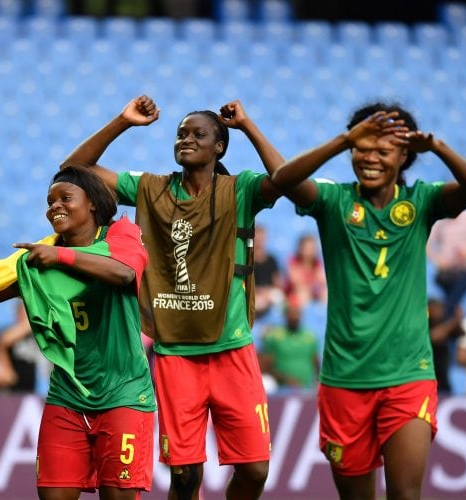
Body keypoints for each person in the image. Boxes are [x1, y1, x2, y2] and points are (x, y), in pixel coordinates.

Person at [61, 95, 285, 499]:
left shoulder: (241, 190)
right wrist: (123, 121)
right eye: (181, 134)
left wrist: (248, 126)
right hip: (175, 354)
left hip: (232, 349)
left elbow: (287, 179)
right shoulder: (152, 189)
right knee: (184, 476)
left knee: (255, 469)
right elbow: (74, 171)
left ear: (219, 147)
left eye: (198, 134)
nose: (186, 139)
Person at [270, 103, 466, 499]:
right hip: (344, 380)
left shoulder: (423, 202)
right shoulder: (333, 201)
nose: (369, 158)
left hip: (407, 374)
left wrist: (437, 147)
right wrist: (341, 140)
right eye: (360, 148)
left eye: (382, 150)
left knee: (405, 495)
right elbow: (283, 180)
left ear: (404, 156)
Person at [0, 166, 155, 498]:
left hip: (123, 395)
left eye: (65, 198)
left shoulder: (120, 237)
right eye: (50, 201)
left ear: (93, 203)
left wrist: (61, 256)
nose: (54, 206)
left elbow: (124, 274)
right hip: (67, 396)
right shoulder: (39, 258)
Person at [426, 209, 466, 317]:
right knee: (451, 304)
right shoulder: (440, 221)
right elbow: (426, 243)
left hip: (464, 271)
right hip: (445, 274)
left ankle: (446, 328)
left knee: (450, 304)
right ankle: (451, 327)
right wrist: (438, 260)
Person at [259, 301, 319, 390]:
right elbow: (265, 365)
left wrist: (318, 382)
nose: (294, 317)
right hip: (281, 390)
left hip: (306, 390)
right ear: (285, 316)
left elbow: (315, 362)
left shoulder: (310, 337)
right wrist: (284, 379)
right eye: (291, 314)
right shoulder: (275, 336)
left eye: (297, 314)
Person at [0, 300, 44, 393]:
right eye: (26, 310)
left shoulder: (41, 332)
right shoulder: (10, 330)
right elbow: (2, 342)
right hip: (16, 387)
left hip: (40, 384)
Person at [427, 298, 463, 393]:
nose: (439, 311)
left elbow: (463, 333)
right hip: (428, 374)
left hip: (443, 376)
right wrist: (454, 321)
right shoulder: (425, 324)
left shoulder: (444, 322)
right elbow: (434, 336)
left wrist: (458, 321)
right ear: (429, 309)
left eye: (441, 308)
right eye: (436, 308)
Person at [285, 233, 327, 307]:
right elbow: (296, 282)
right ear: (301, 248)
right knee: (302, 294)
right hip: (294, 295)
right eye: (308, 248)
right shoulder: (294, 261)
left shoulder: (317, 263)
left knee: (325, 294)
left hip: (312, 292)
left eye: (312, 248)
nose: (311, 250)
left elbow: (322, 280)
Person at [253, 225, 284, 319]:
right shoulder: (247, 260)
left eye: (262, 238)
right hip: (254, 293)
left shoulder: (272, 260)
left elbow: (278, 283)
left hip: (269, 293)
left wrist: (268, 292)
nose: (259, 241)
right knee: (258, 302)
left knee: (279, 298)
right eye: (257, 238)